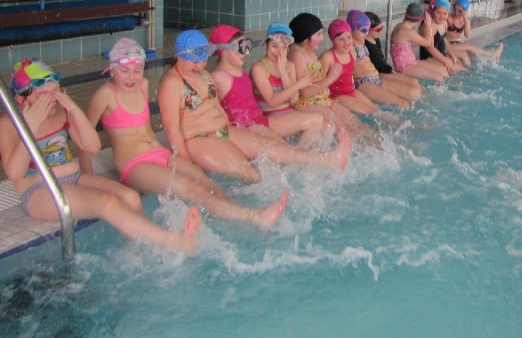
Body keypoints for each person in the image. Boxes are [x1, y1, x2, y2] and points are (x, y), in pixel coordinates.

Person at [84, 39, 289, 232]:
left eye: (137, 70)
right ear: (111, 69)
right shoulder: (105, 95)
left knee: (209, 185)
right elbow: (83, 138)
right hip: (135, 164)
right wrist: (88, 178)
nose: (131, 77)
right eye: (124, 71)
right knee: (192, 189)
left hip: (160, 154)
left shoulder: (143, 85)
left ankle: (237, 220)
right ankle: (255, 217)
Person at [0, 59, 200, 252]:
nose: (52, 100)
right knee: (107, 203)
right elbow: (15, 174)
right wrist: (31, 125)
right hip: (38, 189)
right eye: (43, 96)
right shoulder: (8, 125)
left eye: (55, 92)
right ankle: (173, 240)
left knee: (131, 197)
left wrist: (73, 109)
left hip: (74, 177)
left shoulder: (61, 111)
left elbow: (93, 146)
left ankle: (139, 252)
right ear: (20, 99)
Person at [207, 25, 352, 170]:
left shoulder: (239, 70)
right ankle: (320, 161)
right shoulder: (218, 77)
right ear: (222, 50)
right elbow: (213, 106)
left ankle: (312, 163)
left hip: (258, 120)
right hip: (247, 125)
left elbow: (293, 100)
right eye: (240, 47)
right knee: (283, 149)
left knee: (294, 143)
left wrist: (283, 72)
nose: (246, 52)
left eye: (247, 46)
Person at [287, 12, 378, 142]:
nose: (322, 39)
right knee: (344, 129)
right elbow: (305, 92)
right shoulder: (297, 56)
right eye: (319, 34)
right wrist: (331, 77)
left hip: (321, 99)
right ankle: (362, 146)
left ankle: (376, 142)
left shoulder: (308, 51)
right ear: (307, 37)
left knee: (352, 120)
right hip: (307, 103)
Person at [250, 23, 329, 145]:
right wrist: (299, 84)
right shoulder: (259, 68)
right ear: (266, 45)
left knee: (326, 127)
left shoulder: (289, 66)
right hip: (268, 118)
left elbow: (293, 100)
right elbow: (272, 101)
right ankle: (299, 154)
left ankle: (303, 152)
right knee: (316, 120)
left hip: (288, 113)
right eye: (274, 46)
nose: (279, 52)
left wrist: (283, 72)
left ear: (288, 48)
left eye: (283, 47)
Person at [347, 10, 417, 109]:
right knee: (402, 103)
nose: (367, 33)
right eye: (363, 30)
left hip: (376, 79)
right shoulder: (349, 46)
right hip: (364, 83)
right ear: (352, 30)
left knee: (412, 93)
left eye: (368, 29)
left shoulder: (361, 41)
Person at [320, 18, 381, 115]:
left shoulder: (352, 53)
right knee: (372, 113)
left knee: (377, 110)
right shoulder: (327, 57)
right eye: (341, 39)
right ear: (332, 40)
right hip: (337, 97)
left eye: (349, 37)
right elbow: (319, 84)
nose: (347, 42)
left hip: (351, 92)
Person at [362, 11, 423, 99]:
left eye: (381, 28)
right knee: (412, 92)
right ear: (368, 30)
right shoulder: (365, 44)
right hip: (379, 74)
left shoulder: (376, 40)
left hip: (386, 70)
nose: (380, 32)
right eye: (377, 30)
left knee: (414, 82)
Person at [390, 3, 449, 82]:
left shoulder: (400, 26)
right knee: (439, 77)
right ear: (419, 20)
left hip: (411, 62)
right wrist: (428, 24)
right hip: (404, 67)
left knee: (443, 71)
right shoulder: (406, 32)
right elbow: (428, 43)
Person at [445, 0, 503, 66]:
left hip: (458, 44)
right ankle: (492, 54)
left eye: (460, 11)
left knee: (473, 54)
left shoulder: (465, 20)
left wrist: (466, 20)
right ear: (454, 7)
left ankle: (473, 69)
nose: (457, 12)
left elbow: (467, 35)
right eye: (456, 9)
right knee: (468, 46)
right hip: (449, 45)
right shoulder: (449, 18)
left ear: (465, 11)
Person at [420, 0, 467, 74]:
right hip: (429, 58)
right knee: (451, 71)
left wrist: (453, 56)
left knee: (461, 67)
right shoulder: (430, 26)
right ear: (433, 11)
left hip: (441, 56)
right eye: (438, 13)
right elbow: (430, 48)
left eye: (445, 13)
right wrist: (445, 61)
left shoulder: (444, 23)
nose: (441, 16)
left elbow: (445, 41)